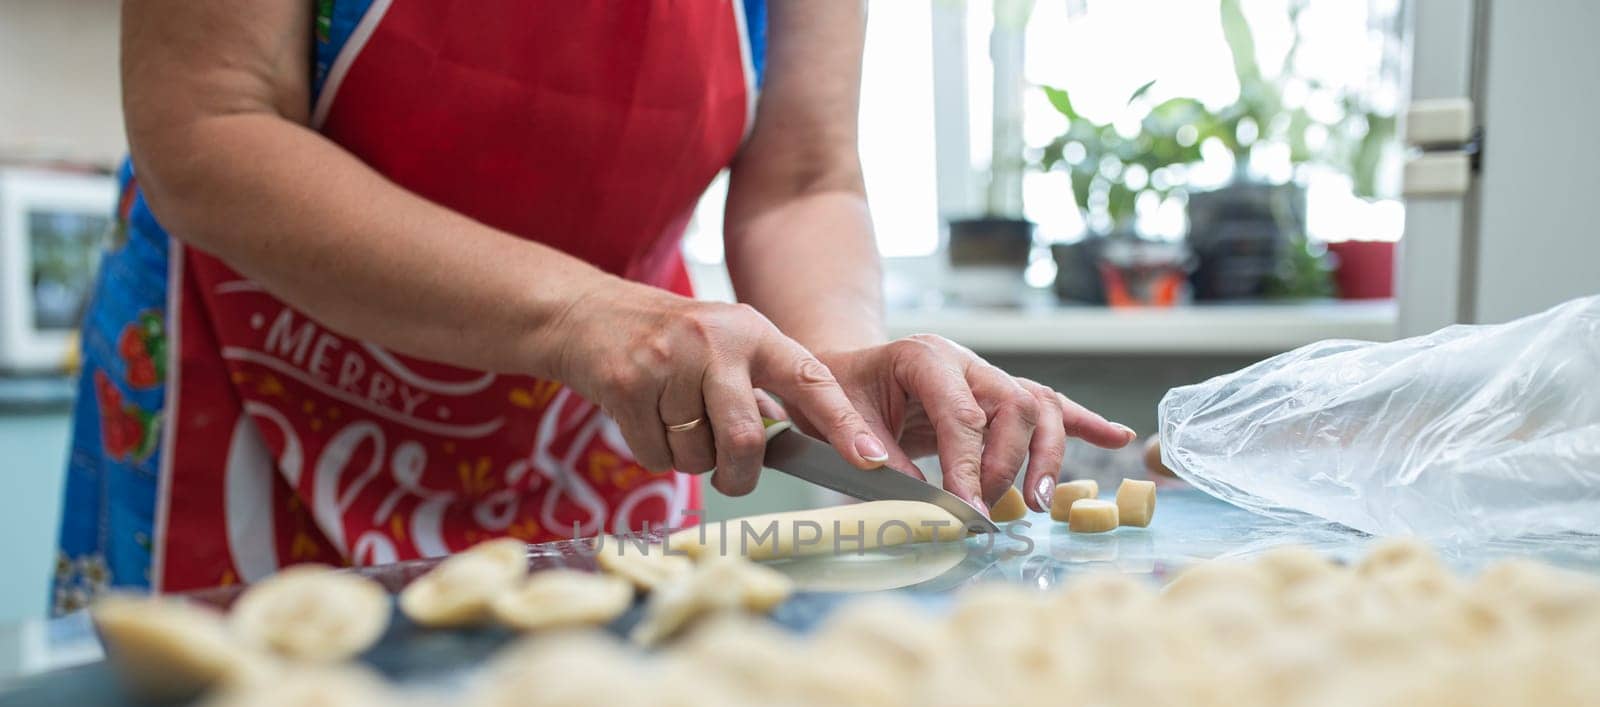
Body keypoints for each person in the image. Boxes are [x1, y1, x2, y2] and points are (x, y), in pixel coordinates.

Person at [53, 0, 1132, 612]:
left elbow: (803, 177)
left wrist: (842, 356)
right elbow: (210, 125)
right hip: (263, 384)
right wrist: (576, 314)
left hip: (602, 411)